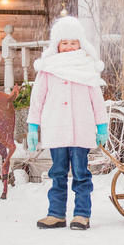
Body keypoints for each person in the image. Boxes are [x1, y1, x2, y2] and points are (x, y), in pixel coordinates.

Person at [26, 16, 108, 230]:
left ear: (81, 43)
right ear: (57, 45)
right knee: (57, 173)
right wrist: (33, 127)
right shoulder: (47, 69)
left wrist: (102, 126)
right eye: (65, 43)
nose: (70, 47)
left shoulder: (87, 67)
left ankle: (81, 214)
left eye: (74, 42)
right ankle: (56, 214)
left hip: (81, 130)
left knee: (81, 174)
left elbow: (97, 101)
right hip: (56, 130)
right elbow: (37, 100)